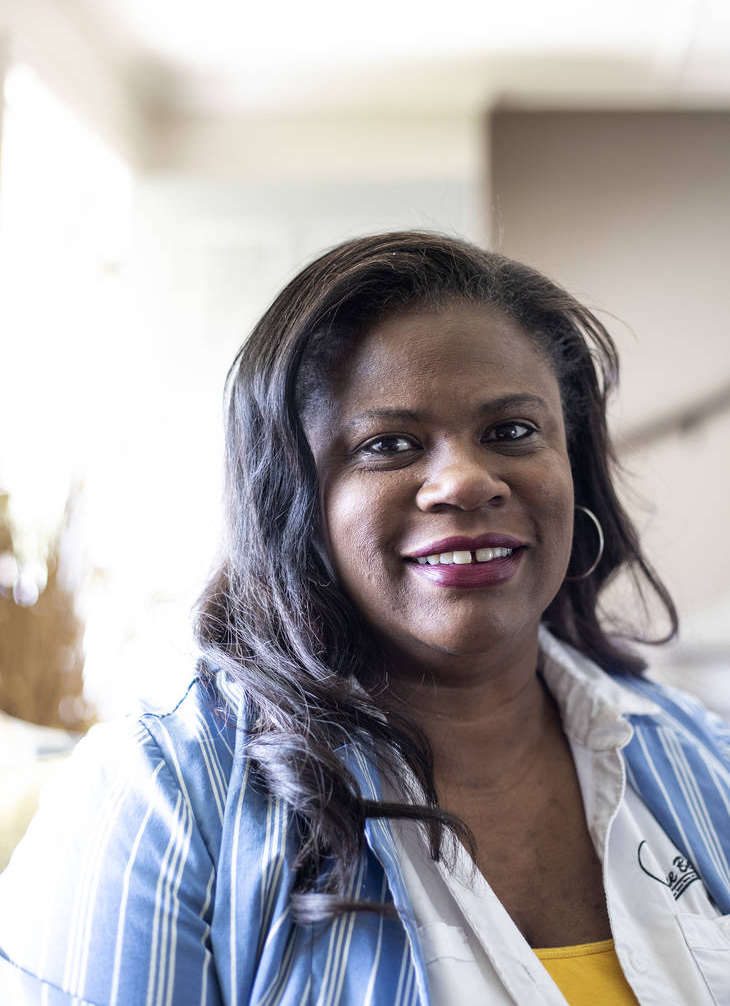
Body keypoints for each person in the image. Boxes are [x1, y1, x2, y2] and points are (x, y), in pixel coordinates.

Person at [1, 231, 729, 1006]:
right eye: (389, 444)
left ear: (573, 465)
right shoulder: (162, 799)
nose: (464, 481)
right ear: (294, 503)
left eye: (512, 432)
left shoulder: (701, 759)